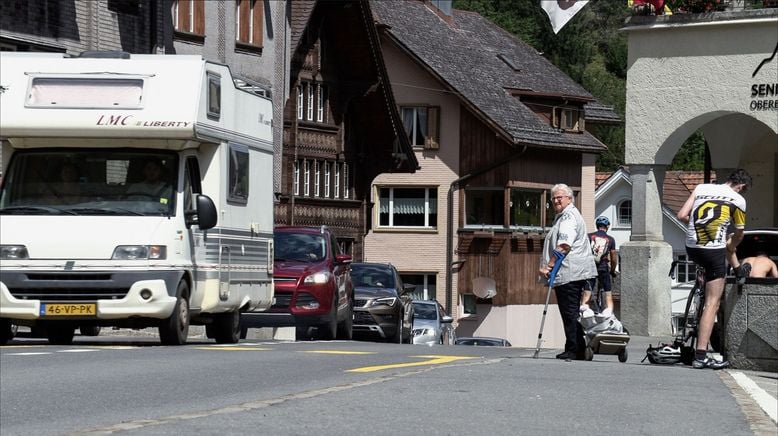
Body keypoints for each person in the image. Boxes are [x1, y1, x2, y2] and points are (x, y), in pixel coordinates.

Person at [677, 168, 752, 370]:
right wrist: (731, 244)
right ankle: (701, 355)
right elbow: (739, 234)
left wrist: (701, 227)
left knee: (721, 242)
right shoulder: (738, 200)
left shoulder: (701, 188)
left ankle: (737, 269)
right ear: (741, 186)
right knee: (712, 303)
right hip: (713, 252)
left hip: (691, 247)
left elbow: (682, 215)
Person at [539, 183, 597, 361]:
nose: (556, 200)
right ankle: (575, 346)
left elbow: (564, 245)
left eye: (560, 197)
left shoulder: (568, 218)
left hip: (569, 272)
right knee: (570, 311)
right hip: (572, 272)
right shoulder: (564, 216)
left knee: (569, 311)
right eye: (554, 198)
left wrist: (549, 266)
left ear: (570, 199)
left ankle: (574, 348)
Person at [583, 216, 618, 315]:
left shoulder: (589, 236)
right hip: (603, 267)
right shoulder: (610, 239)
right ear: (607, 226)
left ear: (597, 226)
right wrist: (612, 270)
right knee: (607, 290)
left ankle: (584, 309)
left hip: (591, 267)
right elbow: (614, 257)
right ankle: (608, 311)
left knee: (587, 289)